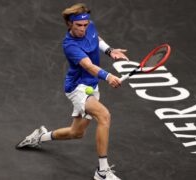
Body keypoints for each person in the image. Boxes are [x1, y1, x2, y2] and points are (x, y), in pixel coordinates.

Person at [16, 3, 128, 180]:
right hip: (78, 88)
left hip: (92, 85)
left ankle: (40, 136)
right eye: (79, 26)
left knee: (76, 133)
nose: (83, 29)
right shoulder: (70, 45)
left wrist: (110, 50)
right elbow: (89, 66)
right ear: (69, 24)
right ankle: (102, 172)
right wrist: (108, 77)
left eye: (85, 24)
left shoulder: (88, 26)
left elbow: (96, 38)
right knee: (104, 116)